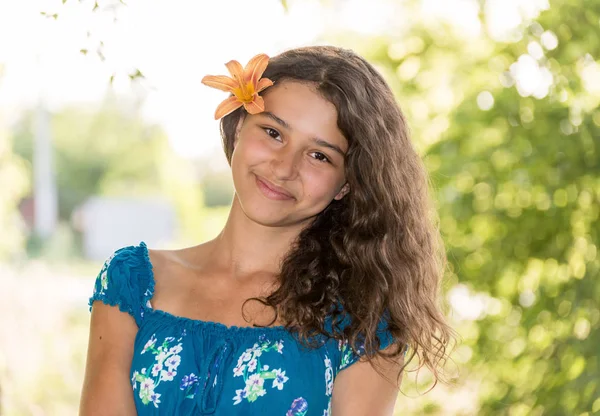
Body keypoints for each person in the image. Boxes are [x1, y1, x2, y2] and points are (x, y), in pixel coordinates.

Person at [79, 46, 456, 415]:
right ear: (239, 125)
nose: (283, 166)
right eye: (274, 133)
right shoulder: (132, 282)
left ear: (346, 184)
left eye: (319, 156)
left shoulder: (363, 320)